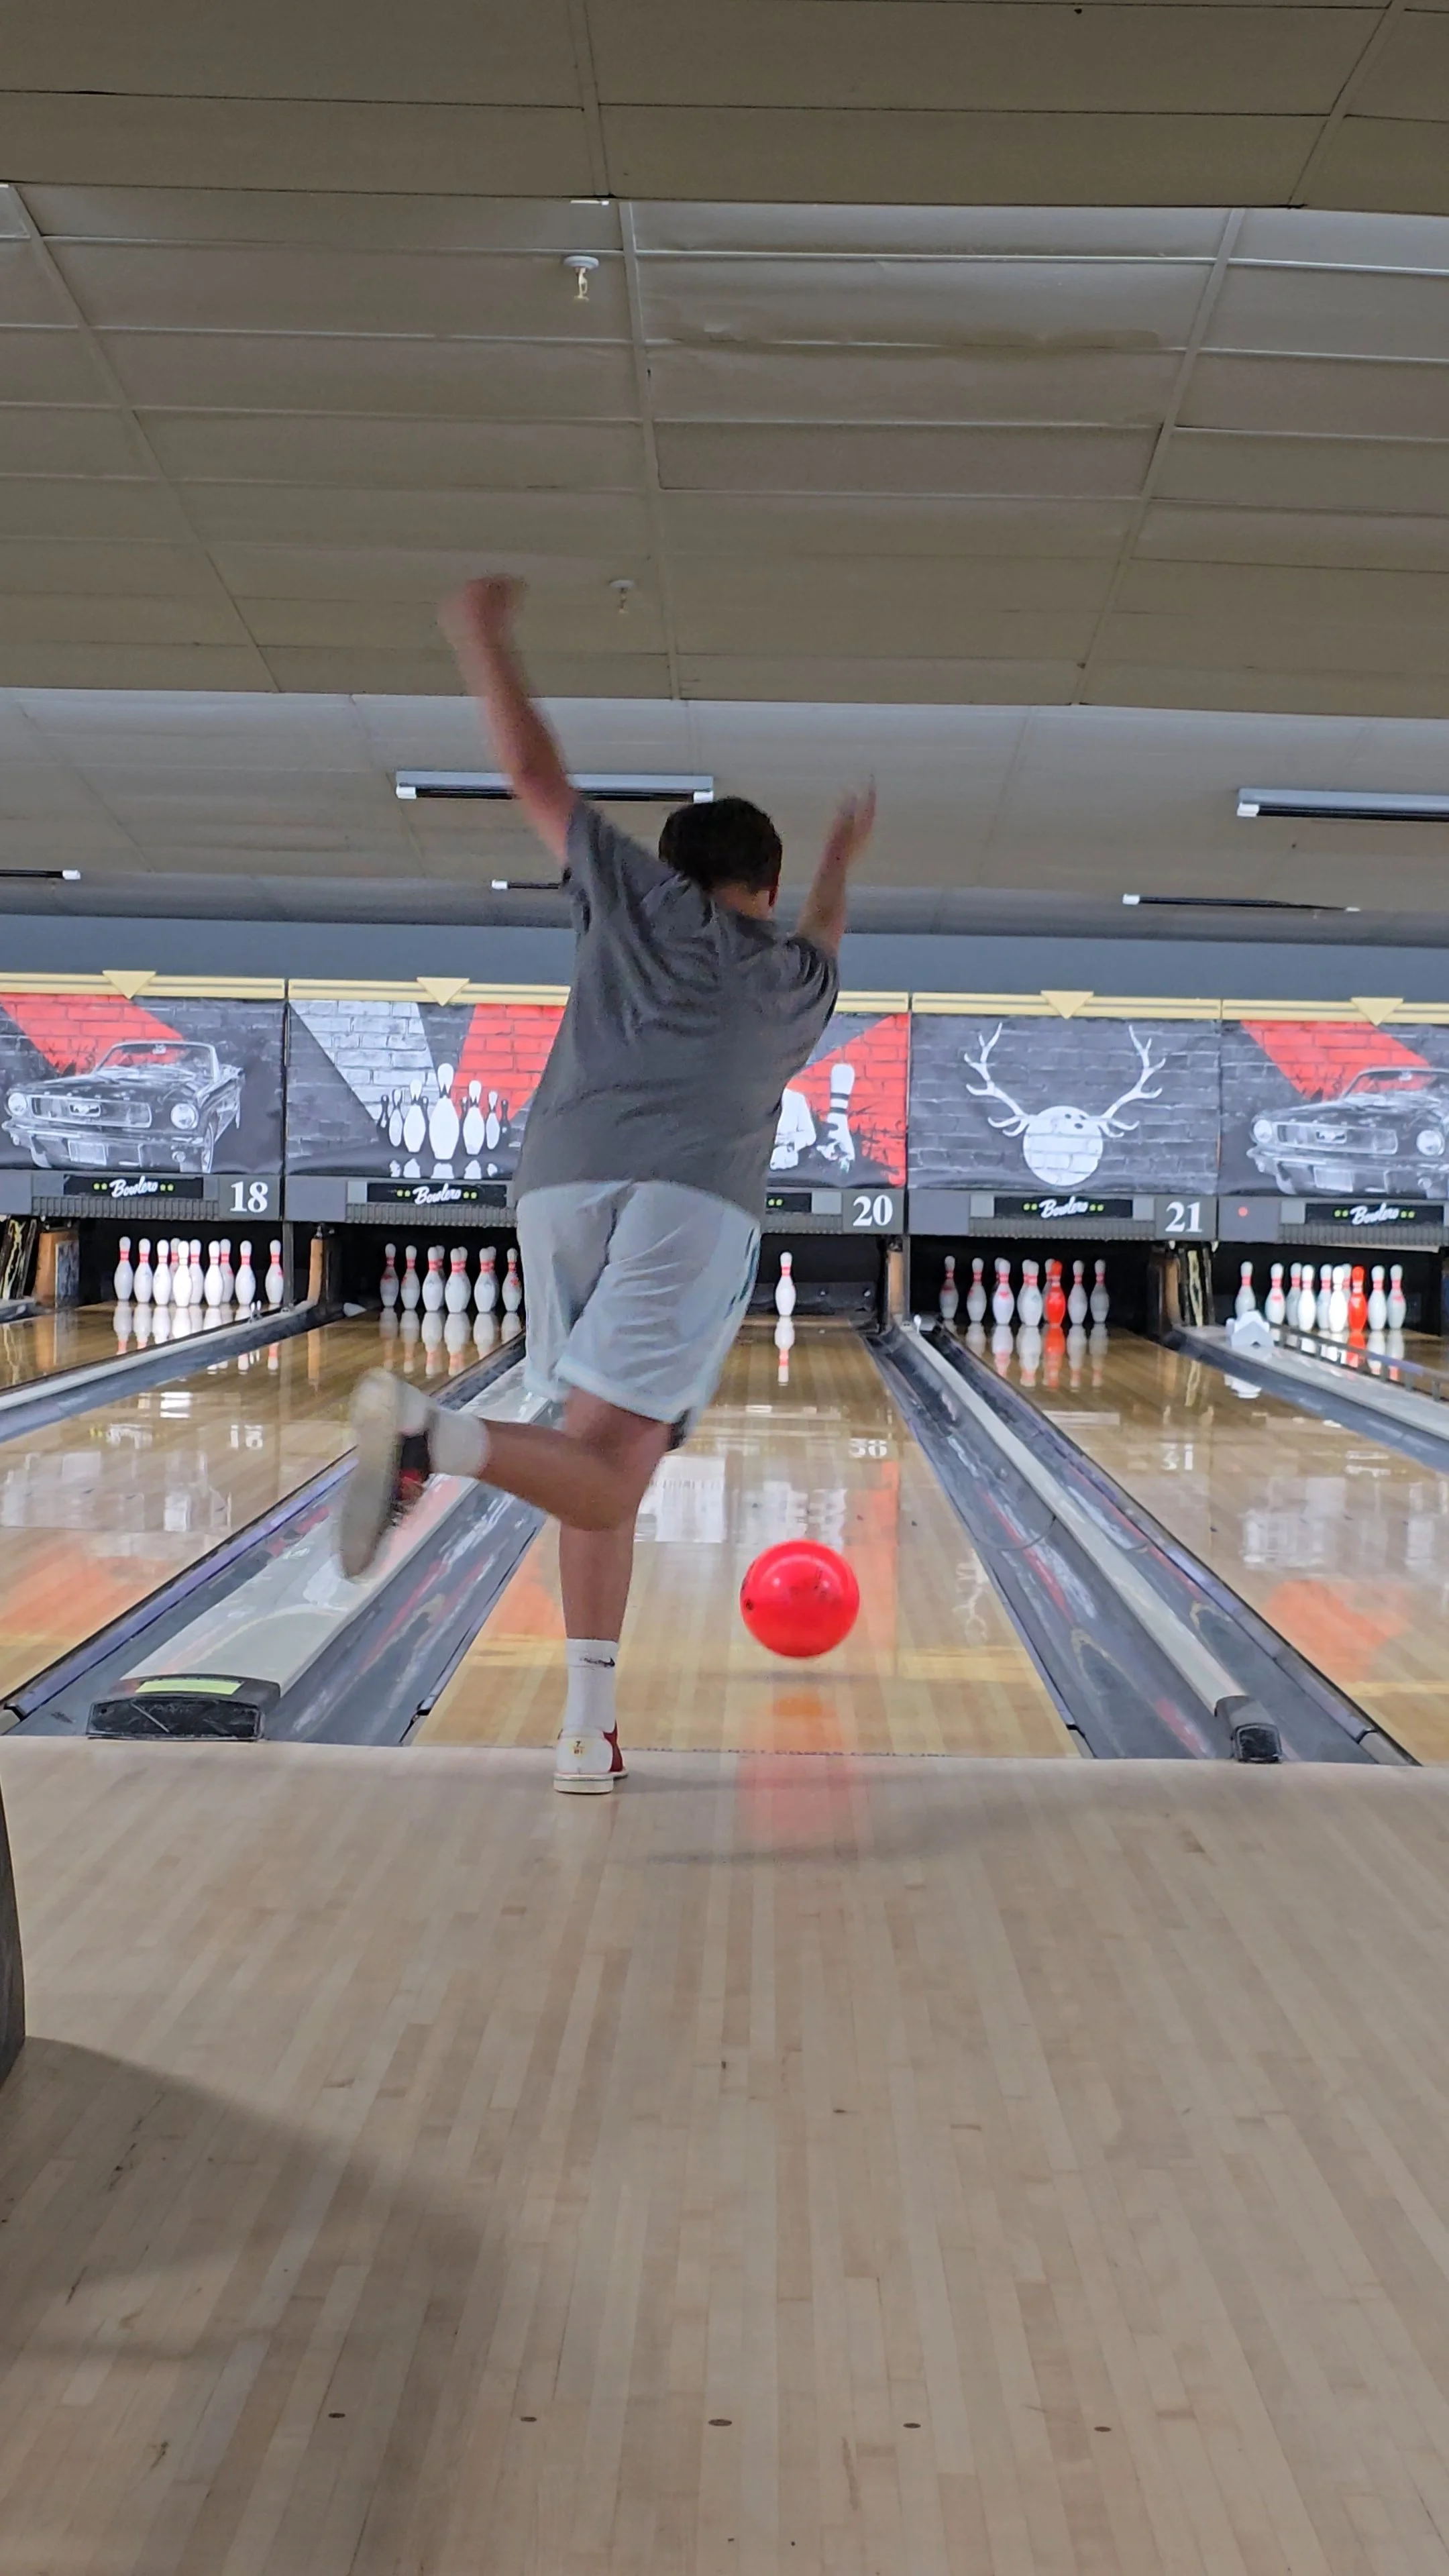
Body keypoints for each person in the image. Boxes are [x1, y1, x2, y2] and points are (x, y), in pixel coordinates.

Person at [336, 576, 875, 1790]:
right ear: (769, 891)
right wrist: (844, 856)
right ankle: (442, 1437)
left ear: (669, 869)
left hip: (558, 1187)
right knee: (607, 1468)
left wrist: (479, 634)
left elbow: (536, 779)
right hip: (694, 1202)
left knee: (595, 1478)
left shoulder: (631, 900)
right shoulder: (797, 983)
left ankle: (588, 1729)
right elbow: (830, 933)